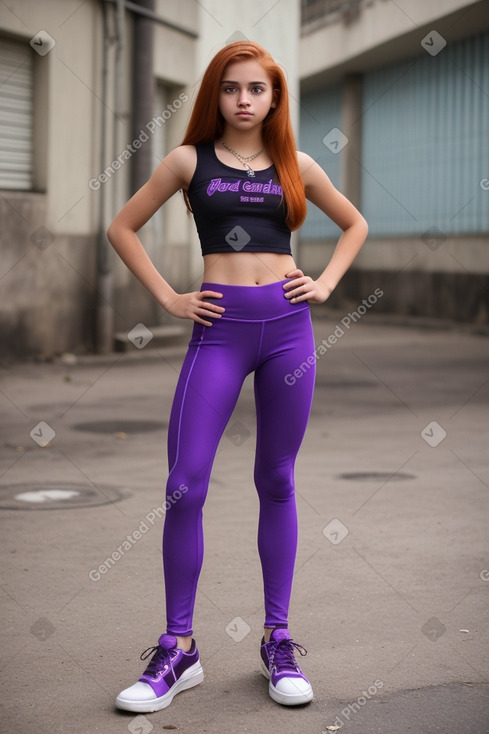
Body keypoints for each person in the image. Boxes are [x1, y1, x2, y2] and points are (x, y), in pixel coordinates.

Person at [108, 40, 368, 713]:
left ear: (275, 98)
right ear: (214, 96)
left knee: (276, 479)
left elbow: (353, 223)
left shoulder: (295, 163)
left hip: (287, 333)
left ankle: (277, 638)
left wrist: (327, 283)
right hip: (216, 334)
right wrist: (170, 299)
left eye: (256, 89)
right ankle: (178, 648)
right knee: (183, 484)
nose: (244, 99)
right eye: (231, 88)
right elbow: (122, 227)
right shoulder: (186, 161)